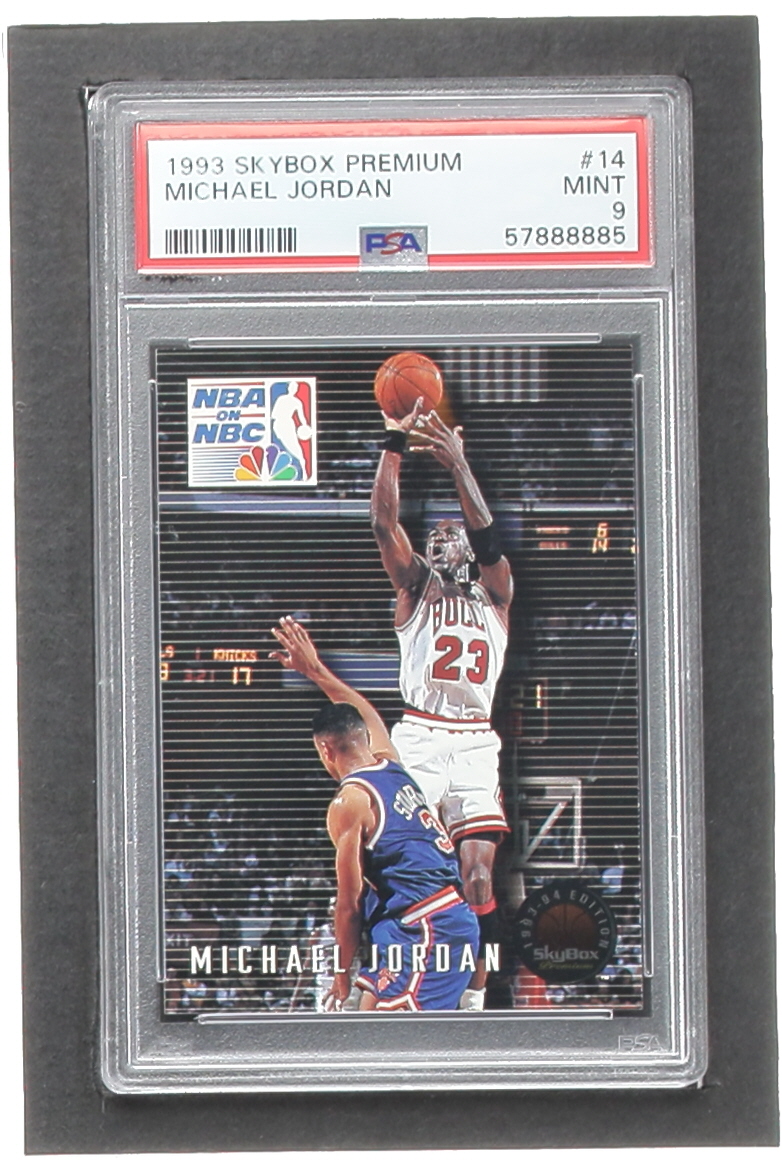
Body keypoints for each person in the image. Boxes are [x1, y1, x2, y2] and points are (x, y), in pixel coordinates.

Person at [370, 398, 514, 1009]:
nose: (442, 538)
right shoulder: (415, 588)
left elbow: (488, 534)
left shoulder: (497, 592)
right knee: (399, 868)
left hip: (476, 740)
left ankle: (473, 998)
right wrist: (394, 442)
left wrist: (458, 464)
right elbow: (384, 525)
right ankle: (373, 982)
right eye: (435, 536)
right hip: (421, 737)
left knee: (477, 876)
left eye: (451, 533)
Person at [270, 616, 479, 1012]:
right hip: (421, 923)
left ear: (325, 750)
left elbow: (349, 904)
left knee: (392, 1042)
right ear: (364, 738)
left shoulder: (350, 801)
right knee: (367, 1035)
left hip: (426, 926)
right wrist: (314, 670)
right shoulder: (391, 764)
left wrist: (341, 973)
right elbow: (364, 711)